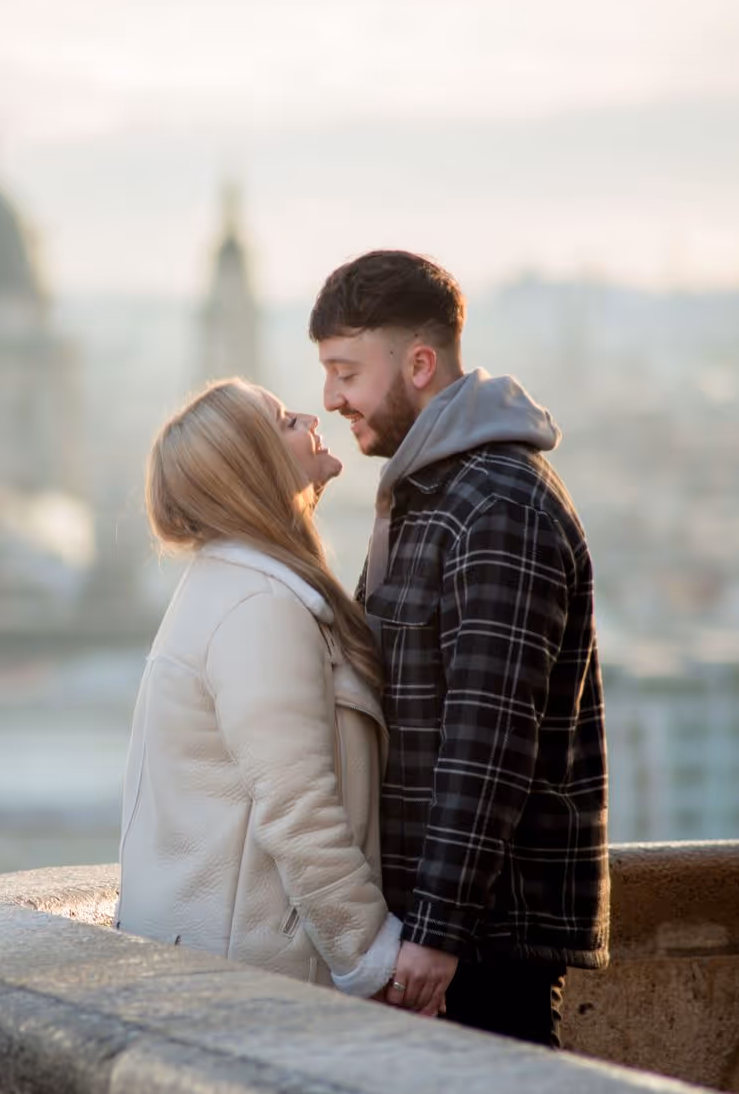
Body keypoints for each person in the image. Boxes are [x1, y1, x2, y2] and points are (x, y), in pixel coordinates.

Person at [310, 250, 609, 1048]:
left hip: (484, 934)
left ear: (418, 362)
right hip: (446, 923)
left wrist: (437, 931)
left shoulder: (497, 504)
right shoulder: (431, 494)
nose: (331, 398)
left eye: (346, 371)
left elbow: (489, 740)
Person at [117, 377, 403, 997]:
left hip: (216, 967)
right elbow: (298, 808)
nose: (307, 416)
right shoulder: (259, 607)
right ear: (256, 467)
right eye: (280, 421)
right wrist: (375, 961)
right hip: (256, 978)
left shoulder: (232, 588)